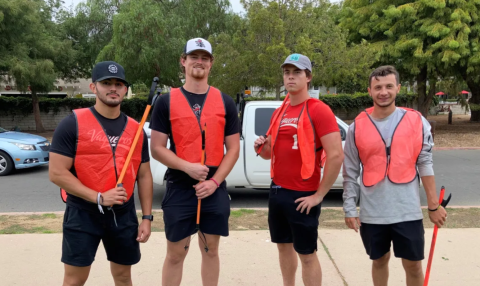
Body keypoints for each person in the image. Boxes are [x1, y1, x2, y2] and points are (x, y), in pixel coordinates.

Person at [49, 61, 153, 286]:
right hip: (83, 213)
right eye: (106, 83)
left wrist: (146, 217)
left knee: (124, 277)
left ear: (126, 89)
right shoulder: (72, 124)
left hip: (123, 214)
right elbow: (57, 173)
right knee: (75, 279)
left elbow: (143, 175)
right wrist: (98, 197)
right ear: (93, 87)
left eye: (119, 83)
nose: (113, 88)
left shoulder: (137, 130)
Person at [342, 65, 448, 286]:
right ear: (369, 91)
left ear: (398, 88)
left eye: (389, 86)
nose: (383, 92)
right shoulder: (357, 127)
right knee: (379, 260)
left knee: (413, 265)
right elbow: (350, 171)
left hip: (407, 211)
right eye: (378, 87)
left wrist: (433, 205)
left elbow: (425, 163)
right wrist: (349, 208)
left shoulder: (416, 121)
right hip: (373, 213)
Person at [149, 38, 240, 286]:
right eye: (193, 57)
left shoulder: (226, 102)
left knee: (210, 249)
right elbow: (157, 148)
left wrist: (214, 182)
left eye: (204, 58)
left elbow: (233, 149)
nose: (199, 62)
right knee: (176, 253)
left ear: (211, 63)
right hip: (180, 185)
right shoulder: (166, 101)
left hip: (213, 186)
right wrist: (186, 166)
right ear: (183, 61)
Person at [254, 53, 344, 286]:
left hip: (303, 194)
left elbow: (335, 155)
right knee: (283, 248)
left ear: (308, 77)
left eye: (297, 72)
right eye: (287, 72)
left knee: (306, 254)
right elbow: (268, 154)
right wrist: (262, 147)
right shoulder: (280, 111)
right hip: (277, 191)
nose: (290, 77)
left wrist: (318, 195)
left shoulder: (319, 110)